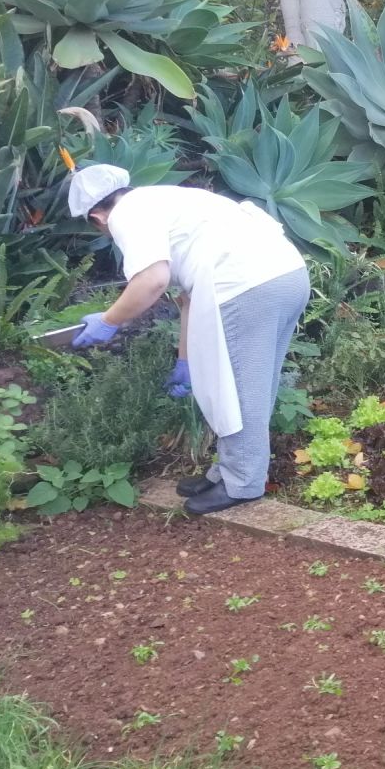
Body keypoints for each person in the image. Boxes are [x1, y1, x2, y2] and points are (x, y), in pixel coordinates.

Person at [67, 164, 310, 515]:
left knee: (241, 389)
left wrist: (108, 321)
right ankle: (229, 471)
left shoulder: (126, 216)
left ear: (96, 217)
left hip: (246, 286)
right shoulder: (165, 199)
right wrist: (186, 360)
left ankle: (243, 484)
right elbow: (187, 298)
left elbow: (152, 280)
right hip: (284, 275)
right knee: (254, 384)